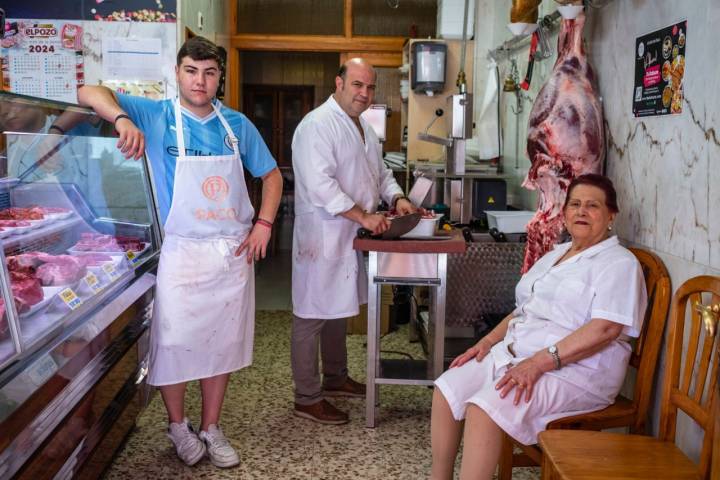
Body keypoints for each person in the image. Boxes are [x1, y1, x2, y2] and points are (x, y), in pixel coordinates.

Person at [75, 36, 282, 468]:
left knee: (220, 345)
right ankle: (177, 426)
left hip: (230, 254)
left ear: (219, 76)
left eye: (209, 73)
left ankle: (211, 427)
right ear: (178, 72)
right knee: (175, 342)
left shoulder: (237, 125)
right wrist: (121, 120)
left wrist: (263, 223)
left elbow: (272, 175)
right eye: (191, 71)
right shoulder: (155, 115)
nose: (200, 81)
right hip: (182, 252)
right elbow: (87, 90)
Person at [430, 174, 647, 480]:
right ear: (566, 212)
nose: (582, 211)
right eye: (575, 204)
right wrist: (487, 342)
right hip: (520, 354)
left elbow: (605, 330)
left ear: (611, 215)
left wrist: (539, 363)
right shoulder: (557, 254)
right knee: (447, 388)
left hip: (576, 371)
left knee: (483, 409)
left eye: (593, 206)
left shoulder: (619, 263)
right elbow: (525, 310)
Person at [290, 58, 417, 424]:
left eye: (370, 87)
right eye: (358, 85)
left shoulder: (364, 126)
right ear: (339, 83)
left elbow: (380, 174)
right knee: (311, 314)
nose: (364, 93)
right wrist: (363, 216)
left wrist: (397, 198)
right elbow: (321, 185)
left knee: (337, 310)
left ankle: (335, 377)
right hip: (323, 234)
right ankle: (307, 396)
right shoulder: (317, 125)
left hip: (348, 235)